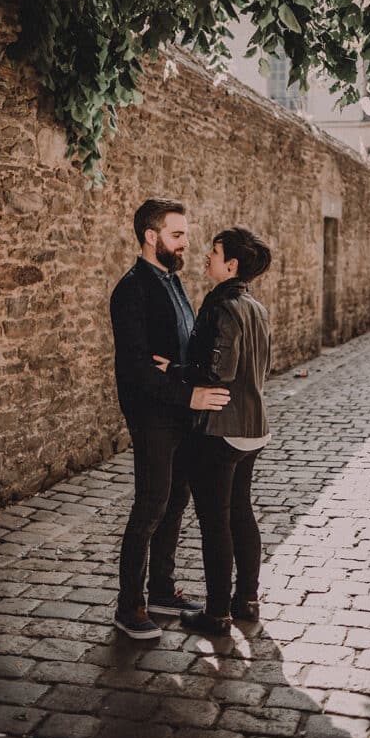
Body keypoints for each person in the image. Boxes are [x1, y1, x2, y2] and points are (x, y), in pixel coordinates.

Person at [110, 198, 231, 639]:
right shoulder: (131, 290)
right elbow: (136, 369)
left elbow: (184, 347)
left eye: (185, 234)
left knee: (175, 502)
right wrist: (189, 393)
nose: (186, 243)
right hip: (153, 417)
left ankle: (161, 590)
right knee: (150, 507)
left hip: (180, 416)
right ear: (150, 236)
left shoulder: (173, 281)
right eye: (177, 235)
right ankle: (129, 606)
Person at [154, 226, 272, 636]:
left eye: (215, 251)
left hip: (222, 430)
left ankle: (218, 613)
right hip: (254, 428)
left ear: (232, 265)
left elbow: (217, 371)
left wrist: (174, 369)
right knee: (241, 513)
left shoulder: (222, 306)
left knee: (215, 521)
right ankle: (247, 600)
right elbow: (262, 369)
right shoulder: (256, 306)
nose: (207, 255)